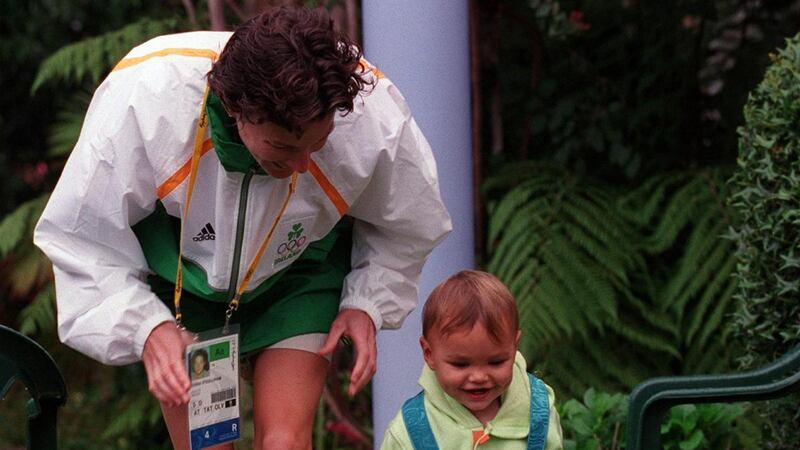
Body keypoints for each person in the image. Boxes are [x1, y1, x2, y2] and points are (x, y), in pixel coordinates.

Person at [33, 6, 451, 450]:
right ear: (237, 109)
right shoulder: (146, 97)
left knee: (285, 443)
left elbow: (408, 222)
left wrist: (366, 302)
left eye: (318, 144)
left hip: (299, 277)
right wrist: (146, 328)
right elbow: (83, 236)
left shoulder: (372, 116)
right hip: (185, 287)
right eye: (283, 148)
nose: (301, 165)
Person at [380, 270, 563, 450]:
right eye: (460, 364)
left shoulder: (538, 413)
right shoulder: (410, 433)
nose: (478, 377)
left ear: (514, 347)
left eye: (496, 362)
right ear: (429, 354)